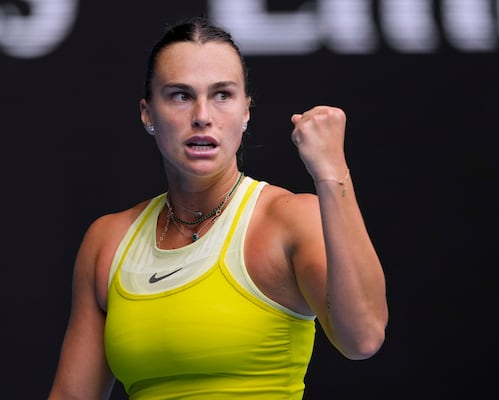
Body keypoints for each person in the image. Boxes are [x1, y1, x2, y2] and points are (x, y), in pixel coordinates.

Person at [48, 16, 388, 400]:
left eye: (222, 95)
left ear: (246, 111)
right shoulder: (107, 242)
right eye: (180, 95)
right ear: (147, 113)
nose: (202, 116)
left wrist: (332, 173)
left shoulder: (289, 219)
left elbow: (363, 337)